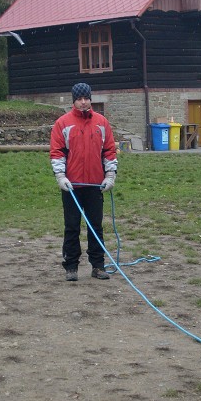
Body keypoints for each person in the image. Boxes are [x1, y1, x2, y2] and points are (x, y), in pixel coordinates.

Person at [50, 82, 118, 281]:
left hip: (95, 185)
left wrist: (110, 175)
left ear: (91, 99)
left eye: (86, 98)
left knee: (95, 226)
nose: (83, 102)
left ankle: (98, 266)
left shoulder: (101, 123)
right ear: (74, 101)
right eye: (79, 99)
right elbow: (57, 153)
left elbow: (109, 150)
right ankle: (71, 267)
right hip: (71, 186)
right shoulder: (63, 124)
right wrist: (61, 177)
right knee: (72, 226)